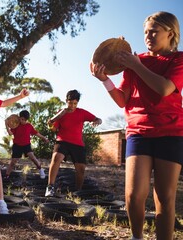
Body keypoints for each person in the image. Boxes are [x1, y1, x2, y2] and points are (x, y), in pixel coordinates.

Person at [90, 11, 182, 240]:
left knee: (164, 197)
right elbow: (123, 99)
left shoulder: (178, 60)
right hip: (138, 132)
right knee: (133, 195)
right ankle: (136, 237)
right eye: (145, 32)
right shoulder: (134, 62)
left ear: (170, 33)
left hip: (170, 133)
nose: (148, 36)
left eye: (154, 31)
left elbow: (164, 89)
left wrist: (136, 64)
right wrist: (105, 80)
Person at [45, 90, 102, 197]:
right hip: (62, 141)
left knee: (81, 169)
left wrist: (97, 121)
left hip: (77, 144)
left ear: (77, 103)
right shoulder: (61, 113)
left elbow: (97, 119)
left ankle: (78, 191)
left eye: (75, 103)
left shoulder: (82, 112)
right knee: (56, 157)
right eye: (70, 103)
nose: (72, 106)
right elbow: (53, 129)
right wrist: (51, 124)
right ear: (66, 101)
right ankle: (50, 187)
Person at [5, 110, 49, 179]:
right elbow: (10, 133)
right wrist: (6, 125)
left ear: (26, 120)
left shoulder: (29, 126)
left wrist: (44, 138)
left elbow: (36, 133)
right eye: (21, 119)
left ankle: (40, 169)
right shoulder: (16, 125)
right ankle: (6, 176)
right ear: (19, 118)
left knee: (32, 157)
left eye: (24, 120)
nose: (22, 121)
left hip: (26, 145)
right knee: (13, 162)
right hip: (17, 145)